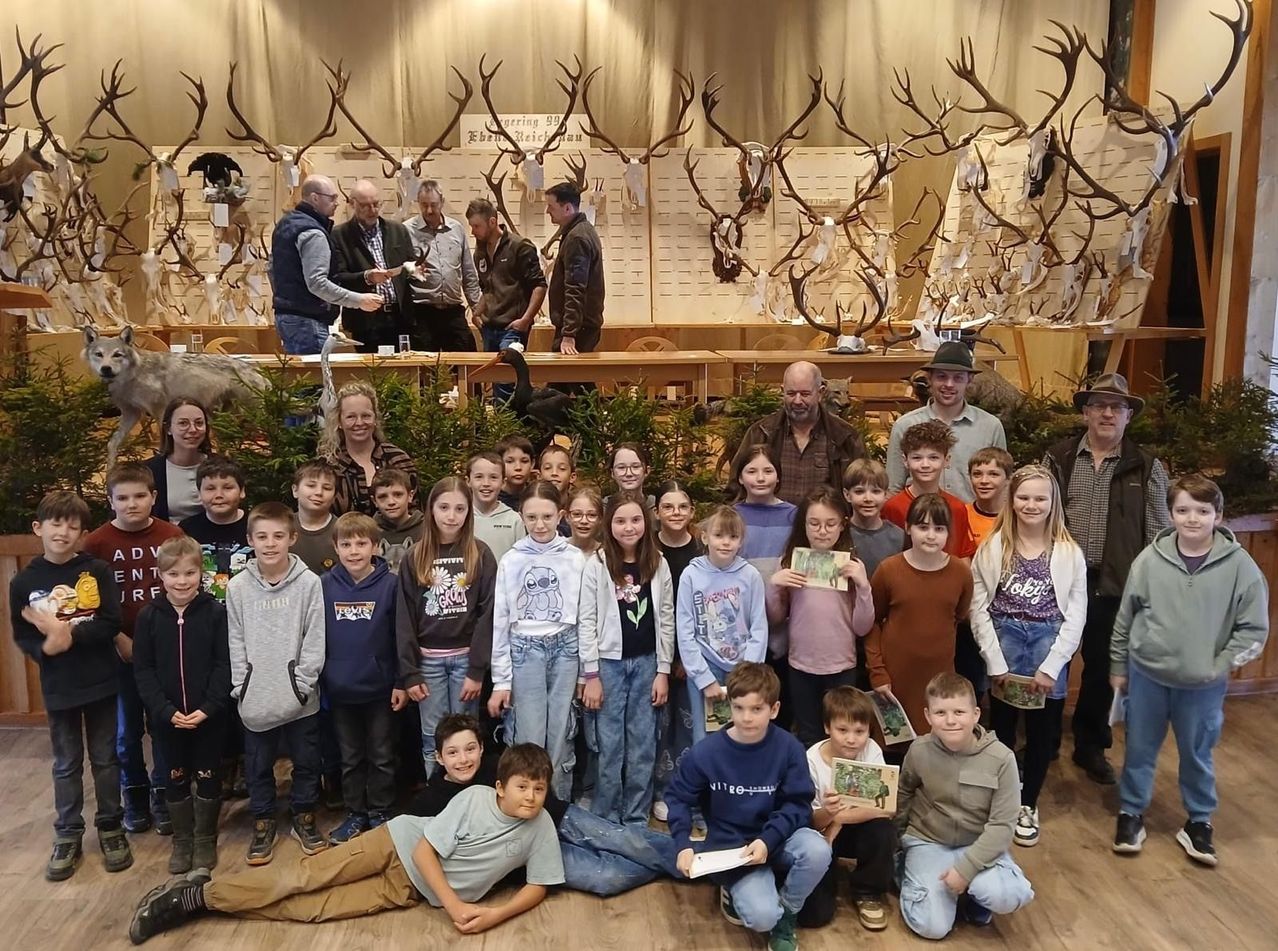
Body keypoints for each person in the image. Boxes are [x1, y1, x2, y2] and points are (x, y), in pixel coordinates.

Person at [127, 744, 565, 944]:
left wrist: (496, 914)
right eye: (522, 787)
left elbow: (538, 885)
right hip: (395, 844)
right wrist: (454, 906)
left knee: (312, 909)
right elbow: (424, 851)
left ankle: (209, 901)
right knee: (300, 878)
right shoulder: (474, 799)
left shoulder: (541, 825)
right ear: (501, 786)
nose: (531, 797)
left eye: (539, 789)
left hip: (408, 890)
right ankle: (191, 898)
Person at [1111, 474, 1269, 865]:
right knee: (1139, 748)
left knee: (1197, 753)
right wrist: (1119, 664)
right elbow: (1125, 617)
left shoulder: (1241, 568)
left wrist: (1219, 665)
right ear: (1171, 515)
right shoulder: (1149, 560)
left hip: (1202, 685)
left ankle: (1199, 820)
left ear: (1218, 516)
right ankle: (1131, 812)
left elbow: (1253, 629)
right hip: (1147, 675)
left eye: (1202, 511)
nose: (1192, 519)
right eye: (1182, 510)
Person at [1043, 373, 1170, 785]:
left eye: (1117, 407)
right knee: (1051, 658)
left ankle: (1090, 745)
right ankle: (1044, 739)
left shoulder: (1146, 466)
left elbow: (1159, 532)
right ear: (1085, 412)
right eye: (1099, 405)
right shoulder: (1058, 458)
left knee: (1102, 667)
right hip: (1060, 580)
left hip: (1114, 583)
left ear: (1129, 416)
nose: (1108, 413)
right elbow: (1038, 515)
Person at [410, 715, 680, 896]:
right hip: (527, 855)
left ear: (481, 748)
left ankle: (695, 859)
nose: (463, 759)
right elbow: (419, 844)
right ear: (439, 757)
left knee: (625, 840)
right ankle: (670, 866)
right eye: (453, 752)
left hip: (557, 817)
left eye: (470, 749)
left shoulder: (497, 765)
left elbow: (537, 780)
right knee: (607, 877)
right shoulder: (429, 801)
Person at [666, 662, 831, 951]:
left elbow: (798, 804)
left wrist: (768, 840)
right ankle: (737, 889)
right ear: (729, 705)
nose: (746, 717)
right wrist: (682, 844)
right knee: (761, 917)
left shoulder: (789, 748)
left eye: (756, 709)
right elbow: (678, 797)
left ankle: (788, 913)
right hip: (733, 848)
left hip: (778, 837)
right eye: (739, 708)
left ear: (774, 709)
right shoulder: (706, 752)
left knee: (818, 850)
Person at [10, 490, 130, 881]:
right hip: (59, 686)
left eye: (72, 526)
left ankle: (111, 826)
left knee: (106, 758)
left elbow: (110, 622)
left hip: (101, 681)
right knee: (66, 763)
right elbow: (23, 635)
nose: (63, 532)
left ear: (82, 533)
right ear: (38, 528)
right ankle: (68, 833)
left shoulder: (96, 571)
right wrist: (47, 646)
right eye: (55, 523)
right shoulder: (24, 581)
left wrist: (68, 634)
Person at [970, 465, 1086, 848]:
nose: (1031, 505)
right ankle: (1001, 798)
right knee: (1002, 729)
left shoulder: (1068, 553)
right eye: (1023, 497)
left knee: (1040, 732)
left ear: (1053, 502)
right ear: (1011, 499)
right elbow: (978, 608)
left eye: (1040, 498)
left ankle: (1028, 803)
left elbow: (1076, 615)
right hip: (1005, 642)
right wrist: (994, 661)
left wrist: (1052, 667)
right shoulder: (993, 547)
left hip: (1047, 644)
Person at [83, 463, 183, 836]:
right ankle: (135, 794)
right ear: (110, 501)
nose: (132, 504)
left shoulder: (171, 535)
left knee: (163, 725)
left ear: (154, 497)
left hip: (163, 651)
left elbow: (185, 586)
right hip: (119, 653)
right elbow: (88, 603)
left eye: (140, 496)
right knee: (126, 732)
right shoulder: (96, 544)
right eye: (122, 498)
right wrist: (117, 638)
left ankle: (163, 794)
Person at [896, 673, 1034, 939]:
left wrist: (965, 870)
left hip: (977, 843)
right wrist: (899, 841)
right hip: (928, 841)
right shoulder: (919, 750)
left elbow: (1003, 825)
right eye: (940, 712)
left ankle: (976, 897)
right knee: (931, 928)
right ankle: (918, 878)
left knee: (1007, 894)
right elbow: (904, 793)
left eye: (959, 712)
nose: (950, 720)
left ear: (975, 714)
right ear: (927, 716)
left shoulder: (1002, 759)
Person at [226, 502, 327, 866]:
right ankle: (264, 819)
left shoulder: (309, 583)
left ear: (292, 538)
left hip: (300, 697)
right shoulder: (238, 587)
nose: (270, 544)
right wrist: (242, 685)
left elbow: (315, 636)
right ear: (250, 539)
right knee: (258, 765)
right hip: (255, 697)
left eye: (278, 536)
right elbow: (235, 638)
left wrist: (303, 683)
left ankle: (304, 815)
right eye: (262, 536)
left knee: (306, 760)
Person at [132, 536, 231, 873]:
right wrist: (165, 711)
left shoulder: (215, 613)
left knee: (208, 775)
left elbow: (224, 664)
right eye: (173, 574)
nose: (182, 581)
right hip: (167, 720)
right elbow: (143, 670)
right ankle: (183, 840)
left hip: (209, 718)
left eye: (190, 573)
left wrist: (209, 707)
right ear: (161, 575)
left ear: (201, 573)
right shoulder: (148, 617)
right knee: (174, 777)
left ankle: (205, 838)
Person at [578, 491, 674, 825]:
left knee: (643, 743)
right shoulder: (598, 564)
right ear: (609, 525)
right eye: (620, 521)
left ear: (646, 522)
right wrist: (591, 674)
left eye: (635, 520)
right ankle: (606, 815)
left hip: (647, 664)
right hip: (609, 666)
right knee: (609, 744)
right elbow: (587, 619)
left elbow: (666, 618)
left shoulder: (657, 562)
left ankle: (635, 817)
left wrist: (663, 670)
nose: (628, 527)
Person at [488, 482, 588, 800]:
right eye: (532, 517)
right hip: (524, 649)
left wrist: (586, 672)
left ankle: (557, 808)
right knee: (529, 735)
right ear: (521, 516)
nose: (540, 524)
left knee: (561, 733)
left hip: (566, 649)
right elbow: (501, 621)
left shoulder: (575, 558)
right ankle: (524, 806)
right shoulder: (511, 560)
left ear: (560, 515)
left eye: (547, 516)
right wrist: (501, 680)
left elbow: (585, 617)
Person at [397, 478, 497, 779]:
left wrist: (477, 670)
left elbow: (488, 614)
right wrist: (410, 672)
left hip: (466, 661)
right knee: (433, 736)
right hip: (428, 663)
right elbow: (404, 618)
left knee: (466, 736)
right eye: (444, 508)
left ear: (469, 512)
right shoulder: (415, 556)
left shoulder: (480, 553)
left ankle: (468, 796)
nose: (451, 516)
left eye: (459, 509)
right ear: (431, 509)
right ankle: (438, 798)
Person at [768, 488, 874, 746]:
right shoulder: (789, 563)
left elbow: (862, 628)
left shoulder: (852, 566)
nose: (822, 531)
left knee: (843, 732)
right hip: (801, 664)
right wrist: (774, 586)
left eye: (830, 524)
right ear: (803, 525)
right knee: (808, 733)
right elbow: (776, 618)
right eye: (814, 524)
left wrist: (863, 586)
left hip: (841, 665)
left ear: (842, 525)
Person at [321, 513, 403, 843]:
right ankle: (355, 813)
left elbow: (400, 636)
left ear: (375, 546)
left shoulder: (391, 585)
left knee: (382, 755)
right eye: (346, 544)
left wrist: (400, 681)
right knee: (350, 757)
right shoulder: (324, 585)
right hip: (340, 689)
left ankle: (381, 811)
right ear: (335, 547)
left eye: (361, 543)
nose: (354, 551)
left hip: (380, 689)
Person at [865, 495, 974, 737]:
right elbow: (872, 623)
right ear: (908, 527)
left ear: (949, 532)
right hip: (894, 678)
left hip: (939, 678)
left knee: (935, 741)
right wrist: (877, 672)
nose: (931, 535)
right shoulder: (888, 570)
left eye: (939, 528)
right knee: (894, 740)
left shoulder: (961, 573)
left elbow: (958, 615)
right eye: (923, 527)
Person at [799, 687, 895, 932]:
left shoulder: (871, 749)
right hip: (823, 837)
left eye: (859, 731)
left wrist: (839, 818)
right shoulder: (811, 759)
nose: (851, 739)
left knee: (883, 829)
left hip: (854, 830)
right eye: (842, 730)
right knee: (815, 916)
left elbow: (885, 808)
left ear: (869, 730)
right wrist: (830, 815)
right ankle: (828, 880)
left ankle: (868, 891)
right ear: (827, 727)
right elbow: (811, 820)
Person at [677, 506, 769, 747]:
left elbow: (759, 626)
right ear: (705, 537)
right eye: (719, 535)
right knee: (704, 740)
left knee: (744, 733)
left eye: (733, 536)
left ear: (741, 541)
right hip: (706, 666)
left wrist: (749, 671)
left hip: (742, 668)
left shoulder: (750, 575)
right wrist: (703, 678)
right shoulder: (691, 575)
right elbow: (685, 631)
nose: (726, 542)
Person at [270, 174, 382, 355]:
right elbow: (317, 283)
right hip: (308, 321)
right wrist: (359, 300)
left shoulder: (285, 224)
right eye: (332, 198)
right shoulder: (312, 232)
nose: (337, 203)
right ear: (315, 198)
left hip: (288, 317)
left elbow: (271, 269)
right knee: (319, 372)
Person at [730, 362, 866, 506]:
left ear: (820, 393)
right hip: (769, 519)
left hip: (825, 520)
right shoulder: (760, 433)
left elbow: (862, 488)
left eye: (805, 394)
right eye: (791, 394)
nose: (797, 401)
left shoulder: (845, 436)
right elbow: (734, 490)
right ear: (782, 391)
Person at [886, 343, 1007, 503]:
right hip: (918, 516)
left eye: (958, 378)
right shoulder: (905, 425)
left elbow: (1000, 486)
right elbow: (894, 487)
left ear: (969, 380)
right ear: (930, 378)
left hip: (971, 516)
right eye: (941, 376)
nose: (949, 384)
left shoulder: (990, 426)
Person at [652, 481, 703, 820]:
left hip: (691, 656)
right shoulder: (647, 548)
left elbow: (701, 610)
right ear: (657, 512)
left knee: (687, 726)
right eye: (668, 507)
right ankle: (658, 790)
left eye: (682, 507)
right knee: (658, 725)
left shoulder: (701, 553)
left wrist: (685, 656)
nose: (675, 513)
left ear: (692, 512)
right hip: (653, 652)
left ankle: (684, 792)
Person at [467, 197, 547, 401]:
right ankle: (500, 421)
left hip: (512, 327)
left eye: (476, 226)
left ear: (492, 222)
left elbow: (539, 285)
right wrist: (477, 312)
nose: (473, 231)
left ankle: (511, 421)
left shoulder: (520, 247)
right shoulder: (480, 252)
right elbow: (488, 289)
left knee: (507, 382)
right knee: (494, 381)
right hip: (489, 327)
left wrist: (526, 320)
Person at [330, 179, 416, 353]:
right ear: (352, 204)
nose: (372, 210)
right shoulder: (339, 235)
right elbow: (338, 277)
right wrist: (367, 277)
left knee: (405, 367)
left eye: (376, 204)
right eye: (365, 206)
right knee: (372, 368)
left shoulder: (397, 230)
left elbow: (410, 265)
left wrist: (417, 270)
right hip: (366, 322)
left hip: (400, 317)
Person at [403, 180, 482, 352]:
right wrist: (411, 270)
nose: (429, 210)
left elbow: (468, 273)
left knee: (465, 358)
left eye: (433, 205)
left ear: (442, 202)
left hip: (452, 311)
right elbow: (399, 272)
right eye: (424, 205)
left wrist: (476, 308)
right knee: (424, 364)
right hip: (422, 312)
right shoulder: (406, 231)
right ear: (418, 203)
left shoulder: (456, 229)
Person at [322, 381, 420, 517]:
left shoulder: (398, 460)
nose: (359, 423)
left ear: (375, 419)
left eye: (366, 416)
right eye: (351, 417)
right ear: (339, 422)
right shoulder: (329, 466)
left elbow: (414, 512)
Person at [882, 419, 977, 559]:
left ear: (946, 460)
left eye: (933, 457)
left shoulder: (957, 508)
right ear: (905, 461)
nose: (925, 465)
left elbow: (962, 557)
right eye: (917, 458)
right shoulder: (893, 507)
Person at [179, 456, 252, 602]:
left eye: (228, 488)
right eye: (210, 489)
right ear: (199, 493)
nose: (219, 495)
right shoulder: (187, 529)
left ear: (242, 491)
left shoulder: (256, 526)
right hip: (201, 610)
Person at [545, 181, 604, 355]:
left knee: (568, 372)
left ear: (567, 208)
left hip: (578, 331)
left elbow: (575, 288)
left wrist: (569, 334)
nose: (547, 211)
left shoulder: (577, 238)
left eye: (551, 206)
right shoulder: (581, 231)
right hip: (580, 326)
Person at [145, 398, 212, 523]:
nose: (193, 430)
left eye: (199, 423)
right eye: (183, 423)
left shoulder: (221, 466)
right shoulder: (149, 471)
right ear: (168, 428)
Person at [842, 459, 903, 580]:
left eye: (876, 491)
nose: (868, 498)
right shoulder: (839, 533)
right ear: (847, 495)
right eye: (859, 491)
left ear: (885, 495)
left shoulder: (899, 537)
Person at [466, 451, 527, 561]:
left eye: (493, 477)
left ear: (503, 482)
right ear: (468, 481)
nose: (486, 483)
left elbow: (522, 559)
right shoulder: (461, 517)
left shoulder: (514, 520)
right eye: (479, 477)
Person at [290, 459, 339, 575]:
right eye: (311, 485)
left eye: (327, 488)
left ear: (334, 497)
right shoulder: (281, 527)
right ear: (295, 490)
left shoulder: (343, 530)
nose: (319, 492)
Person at [372, 468, 424, 574]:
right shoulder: (369, 531)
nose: (391, 502)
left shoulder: (427, 529)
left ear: (410, 496)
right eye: (382, 497)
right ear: (374, 501)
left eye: (398, 494)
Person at [966, 447, 1013, 546]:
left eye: (993, 474)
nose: (984, 481)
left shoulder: (1016, 517)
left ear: (1008, 478)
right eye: (977, 474)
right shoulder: (961, 515)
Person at [495, 435, 536, 509]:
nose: (518, 467)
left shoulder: (537, 495)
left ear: (532, 464)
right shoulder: (492, 497)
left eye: (524, 461)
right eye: (510, 461)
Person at [565, 484, 605, 556]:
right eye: (577, 514)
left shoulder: (607, 555)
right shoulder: (556, 551)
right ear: (567, 517)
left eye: (592, 515)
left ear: (600, 518)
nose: (584, 521)